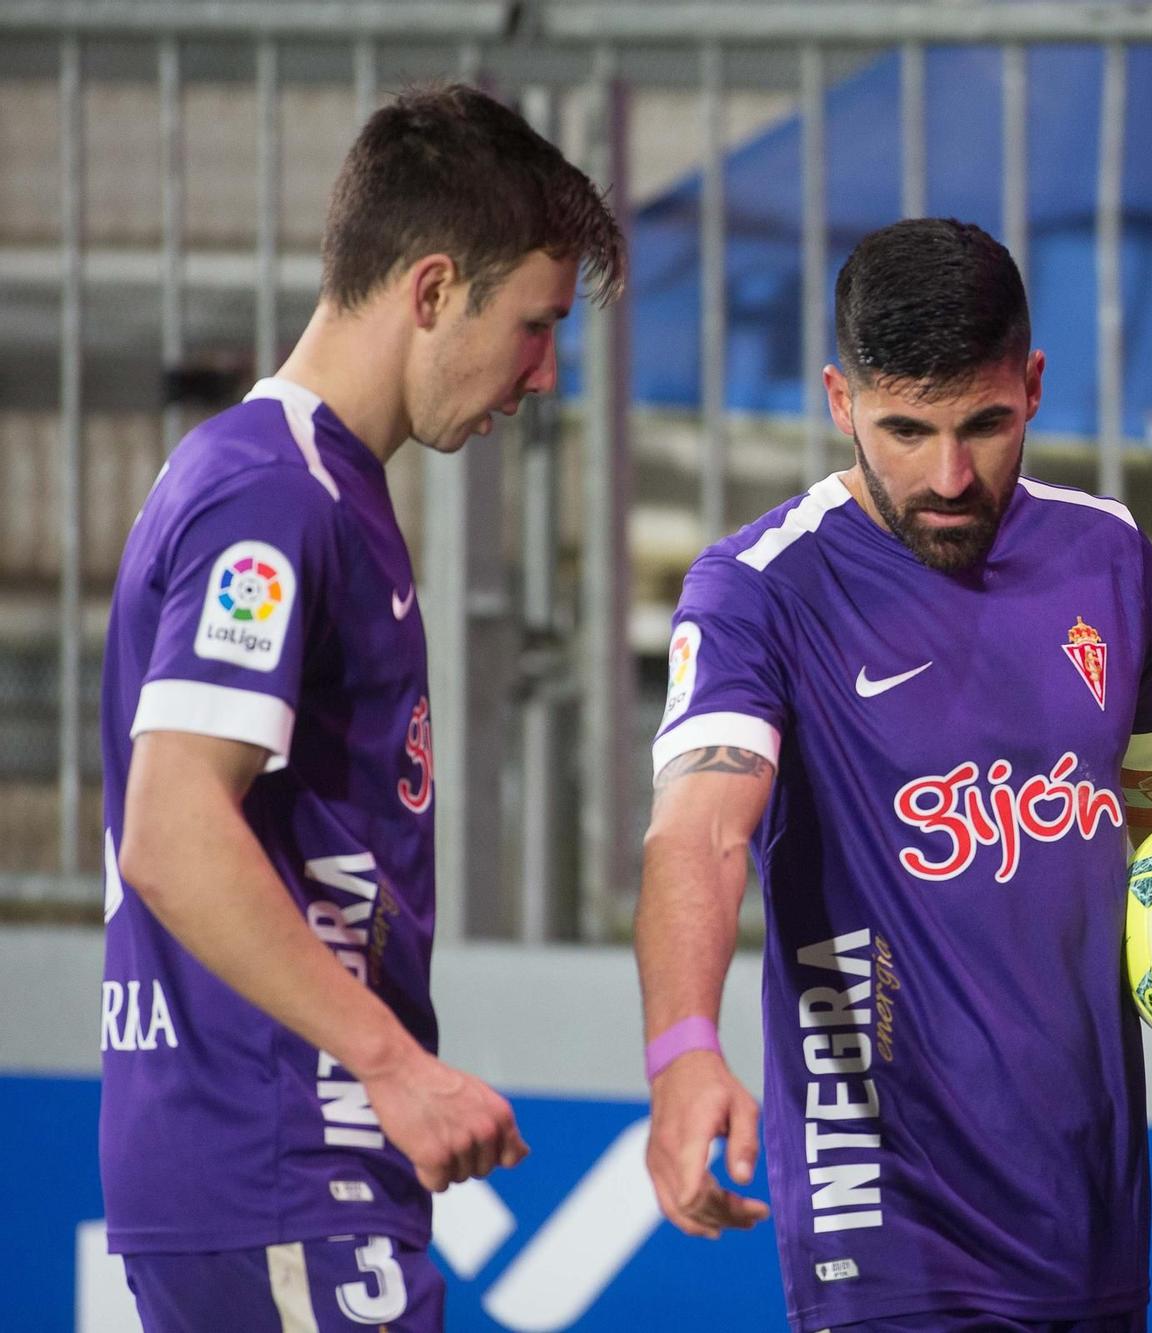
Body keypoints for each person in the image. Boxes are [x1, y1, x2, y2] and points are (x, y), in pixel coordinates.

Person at [636, 218, 1152, 1332]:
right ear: (836, 399)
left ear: (1034, 385)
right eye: (905, 429)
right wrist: (681, 1049)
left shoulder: (1108, 559)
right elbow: (696, 836)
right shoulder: (760, 591)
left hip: (1089, 1217)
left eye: (985, 425)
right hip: (886, 1221)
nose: (948, 476)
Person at [99, 84, 624, 1331]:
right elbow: (171, 829)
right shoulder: (272, 500)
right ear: (433, 290)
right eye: (535, 326)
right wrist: (391, 1061)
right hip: (282, 1151)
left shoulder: (304, 485)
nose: (543, 375)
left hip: (284, 1161)